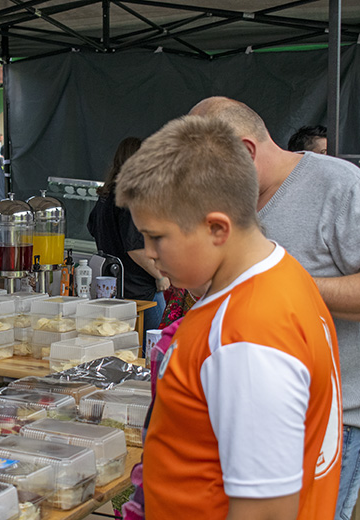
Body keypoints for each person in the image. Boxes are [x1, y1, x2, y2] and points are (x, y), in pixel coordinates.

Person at [116, 115, 342, 519]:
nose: (149, 252)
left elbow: (267, 511)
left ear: (217, 228)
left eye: (157, 237)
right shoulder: (282, 271)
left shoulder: (247, 336)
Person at [190, 96, 360, 520]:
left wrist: (281, 284)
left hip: (327, 420)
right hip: (241, 407)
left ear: (246, 151)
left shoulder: (340, 185)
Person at [87, 137, 169, 332]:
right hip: (142, 291)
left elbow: (92, 228)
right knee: (153, 347)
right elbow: (136, 248)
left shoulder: (106, 196)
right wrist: (160, 277)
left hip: (114, 288)